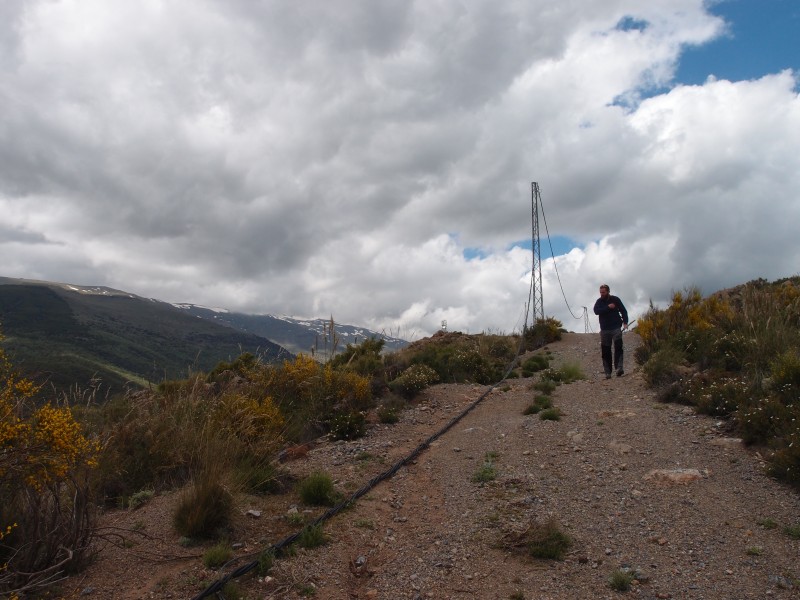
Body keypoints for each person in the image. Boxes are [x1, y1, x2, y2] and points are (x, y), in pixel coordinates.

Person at [593, 284, 629, 379]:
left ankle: (619, 369)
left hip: (616, 327)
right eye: (600, 292)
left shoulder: (615, 299)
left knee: (618, 347)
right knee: (606, 351)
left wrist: (625, 322)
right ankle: (607, 372)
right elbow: (596, 311)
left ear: (608, 291)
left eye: (603, 292)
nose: (602, 294)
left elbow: (623, 310)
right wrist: (608, 307)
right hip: (604, 330)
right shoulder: (599, 301)